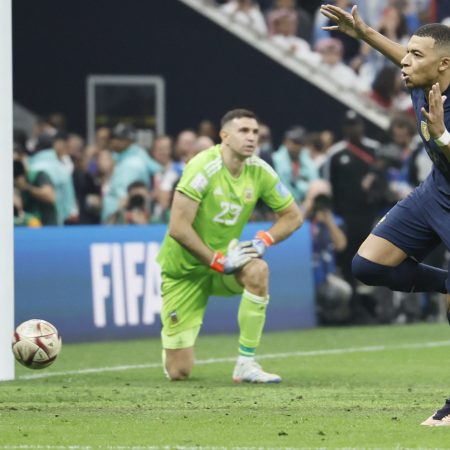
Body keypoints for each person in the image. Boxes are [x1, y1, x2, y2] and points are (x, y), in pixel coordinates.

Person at [320, 3, 450, 426]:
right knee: (367, 265)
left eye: (416, 55)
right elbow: (404, 56)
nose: (405, 62)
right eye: (408, 53)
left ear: (444, 65)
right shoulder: (423, 77)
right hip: (436, 193)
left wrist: (443, 136)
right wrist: (364, 34)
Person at [157, 109, 302, 383]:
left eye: (255, 132)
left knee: (258, 270)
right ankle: (172, 352)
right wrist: (215, 260)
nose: (251, 138)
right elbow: (177, 227)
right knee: (180, 372)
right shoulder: (203, 167)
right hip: (184, 270)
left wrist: (263, 241)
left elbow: (294, 216)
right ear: (224, 136)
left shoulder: (259, 171)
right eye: (243, 131)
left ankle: (246, 364)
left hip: (228, 262)